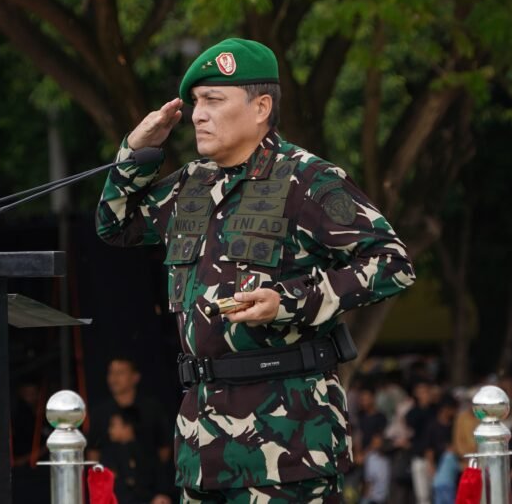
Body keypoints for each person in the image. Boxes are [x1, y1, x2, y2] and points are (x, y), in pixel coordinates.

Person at [96, 37, 415, 502]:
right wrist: (135, 151)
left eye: (214, 100)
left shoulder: (307, 180)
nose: (199, 114)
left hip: (287, 442)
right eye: (195, 102)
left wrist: (288, 303)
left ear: (261, 106)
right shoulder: (191, 184)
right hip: (202, 444)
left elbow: (392, 263)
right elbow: (114, 225)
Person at [87, 357, 174, 503]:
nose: (114, 379)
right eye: (111, 373)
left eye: (120, 373)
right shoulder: (99, 413)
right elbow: (93, 454)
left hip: (149, 491)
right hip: (113, 492)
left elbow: (164, 451)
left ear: (135, 377)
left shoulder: (151, 409)